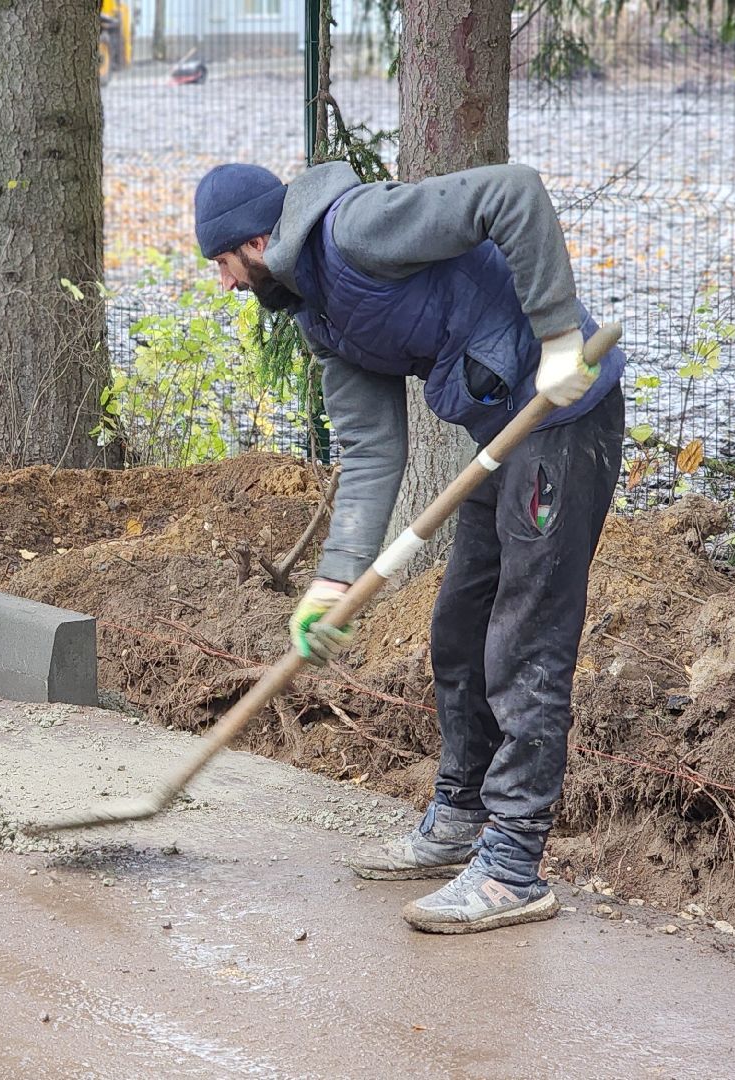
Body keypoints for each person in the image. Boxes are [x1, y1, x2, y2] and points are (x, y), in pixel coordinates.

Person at [193, 160, 627, 933]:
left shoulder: (358, 230)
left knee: (526, 641)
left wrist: (561, 334)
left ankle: (513, 867)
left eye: (222, 264)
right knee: (458, 629)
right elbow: (367, 451)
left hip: (563, 417)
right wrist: (334, 584)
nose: (224, 283)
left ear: (255, 242)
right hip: (505, 437)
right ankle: (461, 817)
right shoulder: (317, 314)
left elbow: (512, 193)